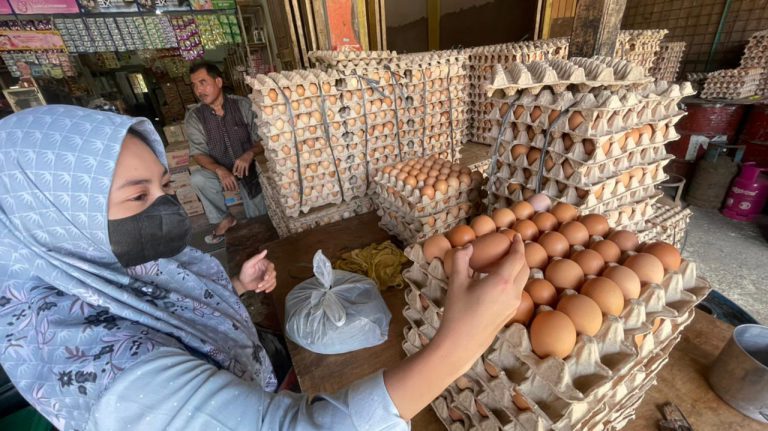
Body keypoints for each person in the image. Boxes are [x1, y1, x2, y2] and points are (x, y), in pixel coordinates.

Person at [0, 106, 529, 431]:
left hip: (254, 377)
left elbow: (157, 307)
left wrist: (234, 287)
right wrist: (459, 344)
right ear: (55, 221)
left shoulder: (94, 266)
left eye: (164, 185)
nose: (165, 207)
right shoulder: (103, 377)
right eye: (138, 195)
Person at [184, 62, 266, 244]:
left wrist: (248, 154)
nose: (199, 90)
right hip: (219, 170)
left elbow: (263, 140)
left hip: (249, 168)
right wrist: (220, 170)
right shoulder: (195, 117)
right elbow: (198, 153)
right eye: (195, 85)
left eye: (203, 82)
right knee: (198, 178)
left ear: (218, 82)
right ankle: (225, 218)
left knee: (259, 221)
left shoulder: (243, 106)